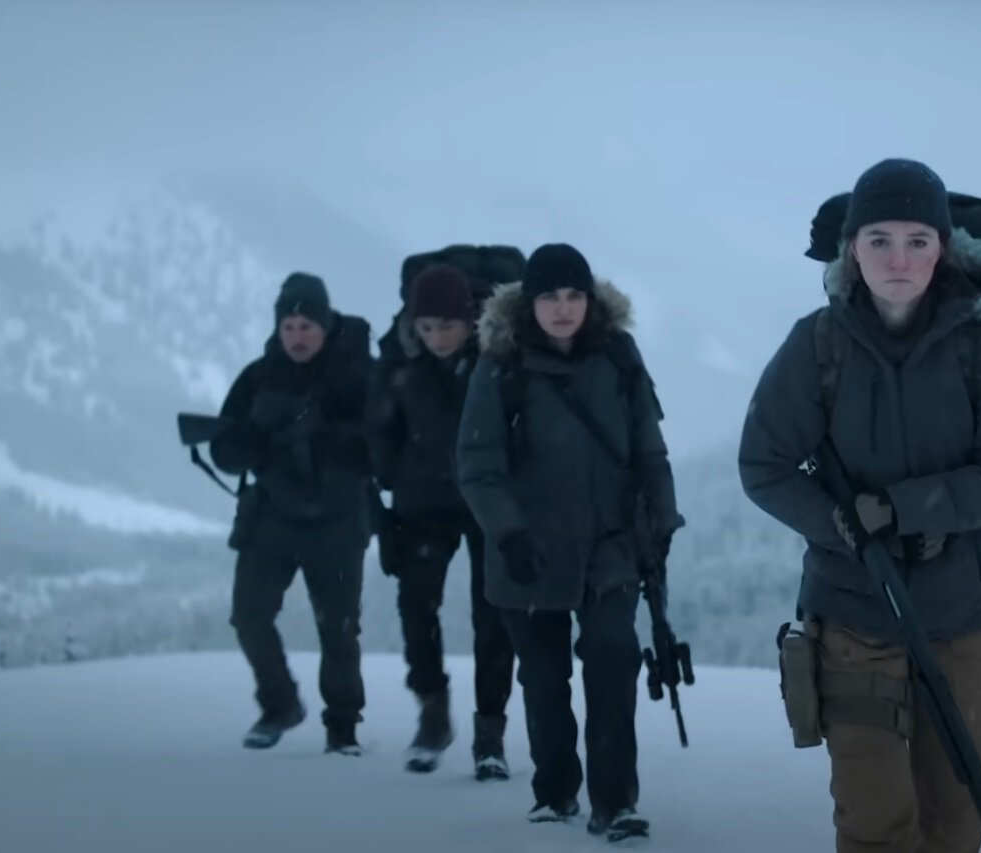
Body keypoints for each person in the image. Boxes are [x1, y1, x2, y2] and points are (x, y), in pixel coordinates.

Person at [737, 158, 981, 853]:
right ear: (852, 249)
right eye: (879, 240)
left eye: (916, 240)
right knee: (873, 821)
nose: (898, 259)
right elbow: (764, 465)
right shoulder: (817, 343)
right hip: (853, 613)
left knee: (953, 820)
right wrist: (842, 525)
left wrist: (900, 508)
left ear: (943, 247)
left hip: (963, 618)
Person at [457, 242, 683, 843]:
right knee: (543, 676)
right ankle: (554, 793)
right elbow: (478, 465)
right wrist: (507, 531)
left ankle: (615, 802)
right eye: (551, 297)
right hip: (527, 548)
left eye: (574, 295)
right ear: (529, 303)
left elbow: (648, 447)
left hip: (610, 543)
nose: (563, 308)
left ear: (590, 299)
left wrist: (663, 521)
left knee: (613, 662)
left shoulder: (618, 356)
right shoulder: (501, 365)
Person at [208, 272, 376, 755]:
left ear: (326, 325)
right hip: (274, 517)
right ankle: (279, 704)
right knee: (248, 615)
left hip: (339, 519)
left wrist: (330, 435)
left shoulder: (358, 375)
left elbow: (384, 445)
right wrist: (259, 433)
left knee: (338, 629)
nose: (297, 336)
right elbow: (224, 453)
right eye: (289, 327)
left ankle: (342, 729)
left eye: (307, 326)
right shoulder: (259, 378)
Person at [367, 262, 516, 779]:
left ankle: (490, 733)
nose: (436, 337)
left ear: (469, 318)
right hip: (421, 505)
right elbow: (377, 436)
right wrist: (384, 506)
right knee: (416, 610)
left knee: (493, 617)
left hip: (486, 502)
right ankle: (433, 712)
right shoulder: (400, 361)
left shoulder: (495, 357)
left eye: (446, 326)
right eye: (426, 327)